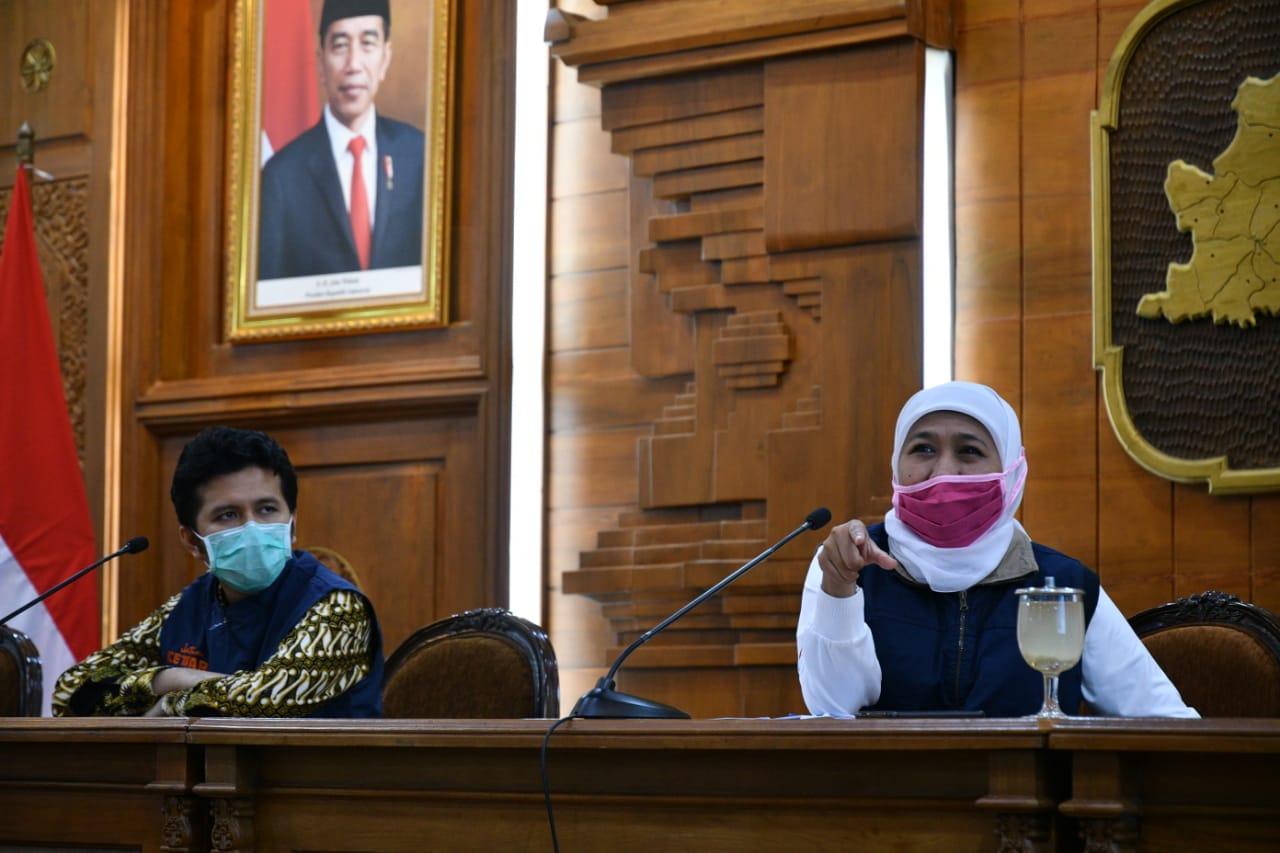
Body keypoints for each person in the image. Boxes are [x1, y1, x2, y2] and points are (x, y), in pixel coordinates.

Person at [797, 381, 1197, 718]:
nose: (943, 473)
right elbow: (833, 712)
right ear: (895, 464)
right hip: (888, 802)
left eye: (969, 451)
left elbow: (1166, 723)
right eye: (923, 449)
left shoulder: (1061, 584)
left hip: (1025, 803)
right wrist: (839, 588)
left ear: (1012, 471)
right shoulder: (845, 564)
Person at [52, 426, 383, 717]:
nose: (252, 527)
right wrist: (169, 678)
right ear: (192, 541)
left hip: (316, 786)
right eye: (228, 515)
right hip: (196, 782)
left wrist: (168, 704)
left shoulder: (338, 608)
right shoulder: (190, 605)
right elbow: (72, 692)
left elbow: (264, 701)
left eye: (267, 509)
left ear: (292, 523)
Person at [258, 0, 424, 279]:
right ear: (321, 63)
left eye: (367, 43)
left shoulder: (419, 155)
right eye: (340, 45)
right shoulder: (281, 175)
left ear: (385, 58)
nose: (353, 65)